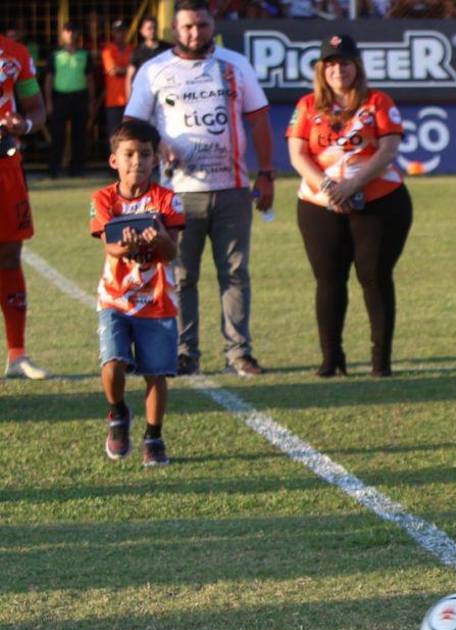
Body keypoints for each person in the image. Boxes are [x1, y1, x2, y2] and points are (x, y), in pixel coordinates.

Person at [125, 0, 275, 377]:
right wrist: (159, 145)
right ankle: (185, 352)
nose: (196, 33)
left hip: (234, 187)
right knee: (182, 275)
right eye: (188, 27)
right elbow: (131, 125)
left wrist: (267, 173)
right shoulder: (155, 70)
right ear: (175, 30)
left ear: (213, 24)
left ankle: (239, 353)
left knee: (236, 273)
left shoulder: (235, 65)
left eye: (203, 25)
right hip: (178, 193)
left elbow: (258, 121)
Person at [286, 34, 412, 377]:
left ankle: (380, 361)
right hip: (318, 203)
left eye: (344, 62)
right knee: (329, 279)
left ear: (356, 66)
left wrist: (353, 185)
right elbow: (297, 153)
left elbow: (388, 149)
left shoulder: (377, 102)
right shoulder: (307, 106)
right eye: (330, 63)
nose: (338, 69)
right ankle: (331, 359)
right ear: (321, 70)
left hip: (379, 201)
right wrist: (329, 189)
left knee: (374, 276)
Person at [89, 120, 185, 467]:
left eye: (145, 154)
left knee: (156, 373)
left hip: (157, 299)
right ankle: (117, 413)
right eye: (129, 154)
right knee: (112, 362)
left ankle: (154, 436)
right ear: (114, 159)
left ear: (155, 159)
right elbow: (110, 247)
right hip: (116, 297)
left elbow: (172, 252)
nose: (137, 162)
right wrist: (125, 244)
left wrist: (158, 239)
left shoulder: (168, 199)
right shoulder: (102, 199)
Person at [0, 29, 49, 380]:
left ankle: (17, 354)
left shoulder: (14, 53)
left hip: (5, 165)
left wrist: (25, 124)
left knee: (8, 254)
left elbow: (36, 108)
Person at [44, 22, 94, 178]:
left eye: (73, 31)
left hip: (80, 98)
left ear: (78, 34)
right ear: (62, 34)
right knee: (57, 135)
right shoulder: (55, 55)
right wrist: (49, 102)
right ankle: (54, 169)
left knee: (79, 135)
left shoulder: (85, 55)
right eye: (67, 31)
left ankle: (77, 169)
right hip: (60, 98)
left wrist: (91, 102)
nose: (71, 34)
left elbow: (90, 79)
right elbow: (49, 80)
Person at [100, 21, 132, 144]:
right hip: (113, 101)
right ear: (113, 33)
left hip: (130, 100)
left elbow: (138, 70)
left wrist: (122, 69)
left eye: (123, 31)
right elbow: (112, 71)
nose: (121, 34)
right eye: (118, 31)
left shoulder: (132, 49)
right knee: (115, 136)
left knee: (130, 135)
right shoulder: (108, 50)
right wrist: (130, 70)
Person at [126, 17, 172, 100]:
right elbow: (130, 78)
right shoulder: (137, 51)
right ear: (142, 31)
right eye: (149, 28)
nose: (152, 31)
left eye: (154, 28)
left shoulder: (167, 49)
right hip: (144, 95)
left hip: (164, 93)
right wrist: (129, 100)